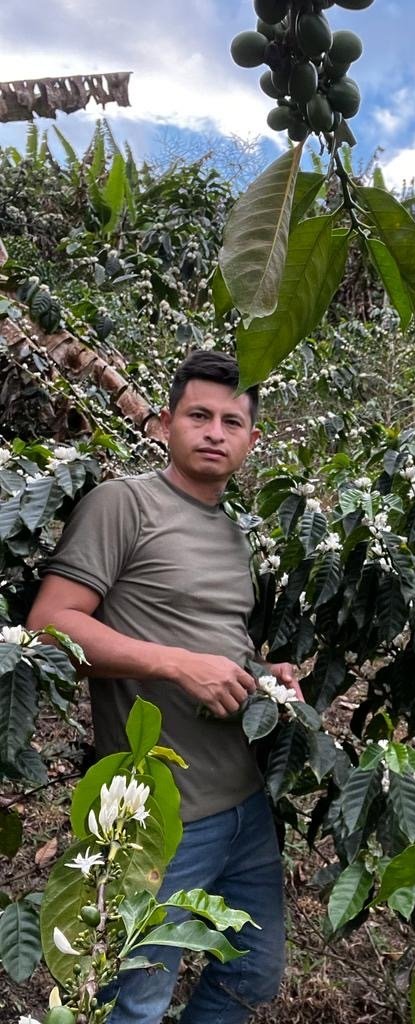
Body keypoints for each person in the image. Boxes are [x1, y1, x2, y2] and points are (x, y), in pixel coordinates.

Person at [28, 350, 299, 1024]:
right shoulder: (124, 505)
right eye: (198, 415)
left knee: (255, 975)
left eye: (231, 421)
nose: (214, 431)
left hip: (245, 803)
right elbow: (50, 626)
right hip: (157, 817)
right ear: (166, 424)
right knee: (135, 1002)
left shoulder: (236, 535)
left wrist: (268, 679)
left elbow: (222, 644)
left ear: (251, 440)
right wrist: (177, 665)